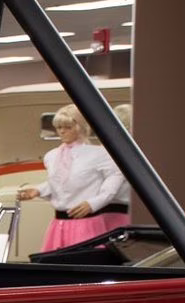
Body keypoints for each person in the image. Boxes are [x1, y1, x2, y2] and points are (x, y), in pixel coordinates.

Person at [16, 103, 128, 252]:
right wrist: (38, 190)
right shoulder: (51, 156)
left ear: (80, 127)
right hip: (59, 223)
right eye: (59, 127)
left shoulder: (98, 154)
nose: (62, 132)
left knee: (86, 263)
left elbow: (113, 182)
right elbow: (59, 183)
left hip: (87, 223)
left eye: (67, 127)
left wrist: (93, 203)